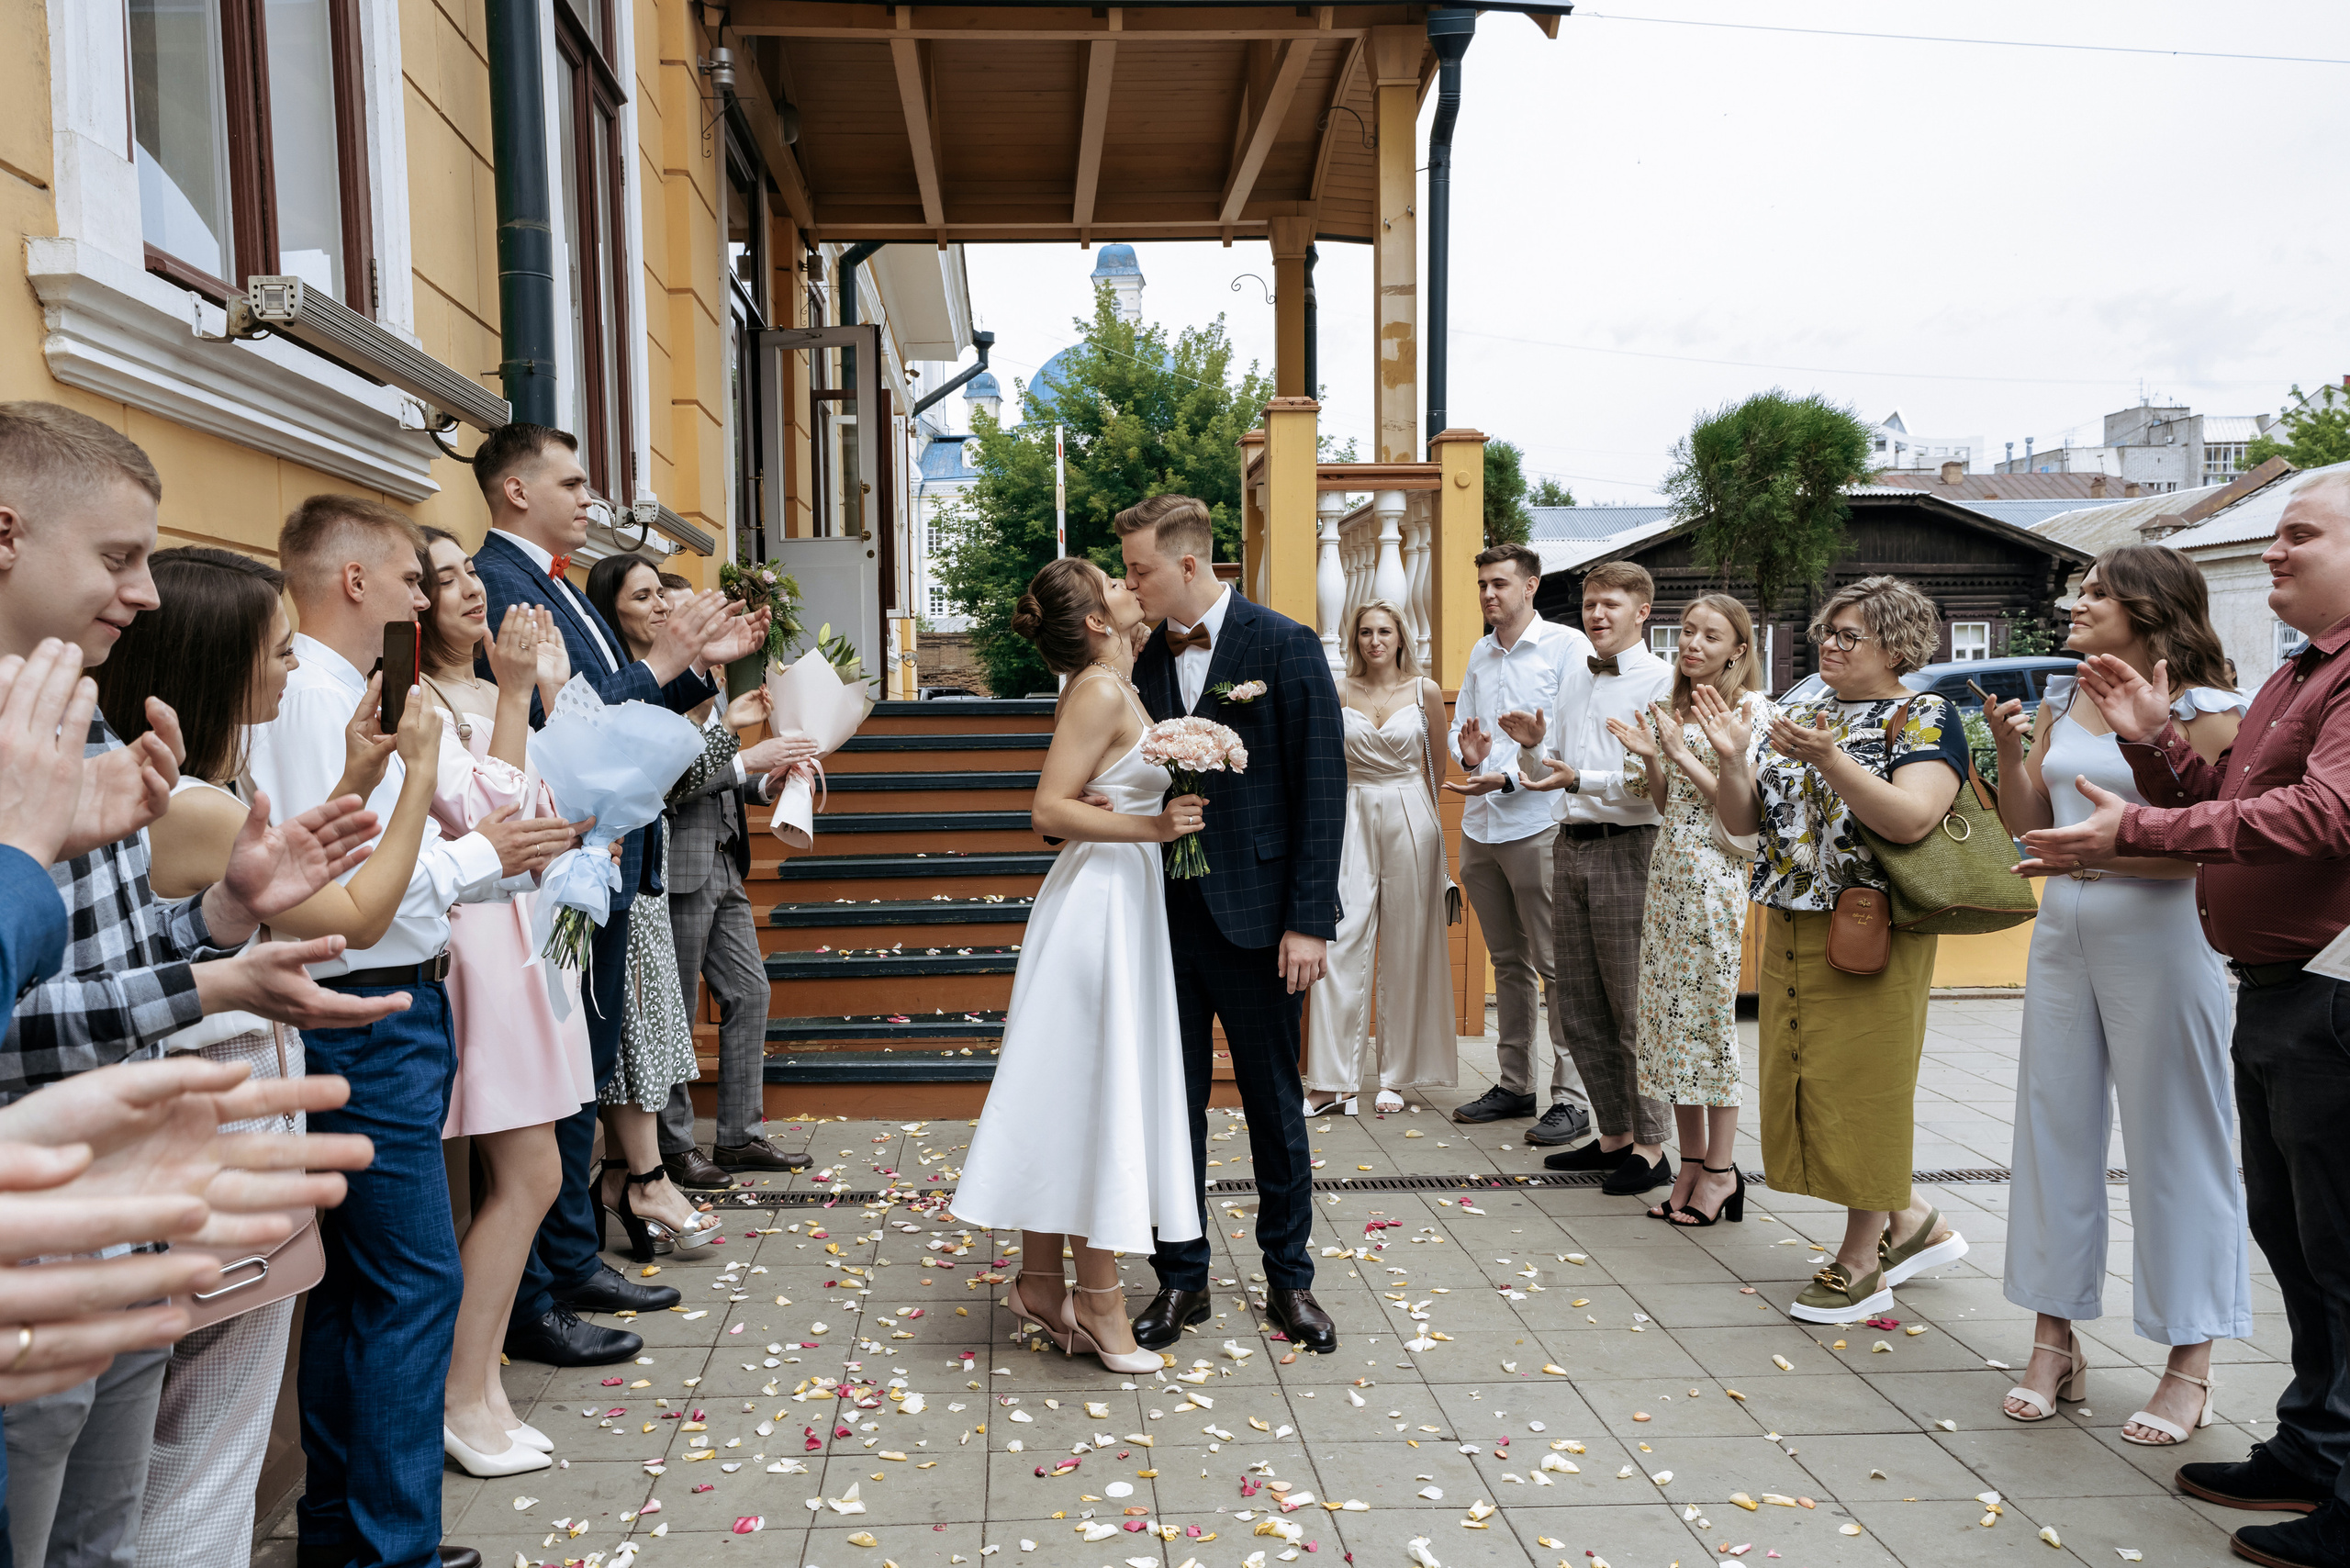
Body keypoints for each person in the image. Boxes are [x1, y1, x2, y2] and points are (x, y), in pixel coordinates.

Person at [0, 405, 413, 1568]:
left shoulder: (83, 733)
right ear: (7, 534)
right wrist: (210, 981)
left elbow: (114, 958)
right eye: (119, 557)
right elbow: (22, 1015)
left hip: (119, 1231)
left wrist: (224, 914)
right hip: (38, 1239)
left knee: (108, 1537)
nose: (141, 594)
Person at [2018, 472, 2350, 1568]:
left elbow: (2319, 816)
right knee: (2295, 1230)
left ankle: (2295, 1438)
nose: (2272, 551)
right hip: (2251, 973)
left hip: (2315, 979)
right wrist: (2152, 743)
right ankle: (2312, 1444)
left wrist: (2140, 831)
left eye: (2298, 534)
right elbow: (2205, 799)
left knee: (2321, 1233)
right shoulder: (2296, 674)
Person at [92, 545, 450, 1562]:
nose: (292, 666)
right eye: (276, 649)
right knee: (205, 1446)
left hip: (207, 1118)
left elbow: (276, 880)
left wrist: (355, 778)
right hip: (221, 1127)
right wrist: (417, 773)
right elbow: (357, 916)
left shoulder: (195, 789)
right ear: (217, 662)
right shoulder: (193, 805)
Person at [247, 493, 583, 1568]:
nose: (418, 598)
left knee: (367, 1288)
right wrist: (484, 854)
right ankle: (387, 1548)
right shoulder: (314, 704)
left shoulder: (355, 695)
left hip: (392, 998)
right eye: (406, 579)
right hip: (368, 1008)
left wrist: (490, 853)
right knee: (408, 1283)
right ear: (354, 580)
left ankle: (352, 1535)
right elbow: (349, 895)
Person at [468, 423, 764, 1367]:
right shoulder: (506, 584)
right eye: (573, 479)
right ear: (515, 490)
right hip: (565, 864)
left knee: (583, 1080)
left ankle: (569, 1258)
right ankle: (549, 1283)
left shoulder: (552, 578)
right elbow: (577, 724)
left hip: (605, 861)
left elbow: (611, 713)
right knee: (560, 1089)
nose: (590, 496)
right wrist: (672, 662)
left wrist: (689, 668)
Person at [1982, 545, 2248, 1443]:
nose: (2075, 600)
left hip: (2163, 937)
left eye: (2095, 591)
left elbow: (2216, 839)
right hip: (2060, 931)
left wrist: (2103, 850)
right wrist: (2013, 753)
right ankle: (2053, 1340)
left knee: (2175, 1141)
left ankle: (2190, 1363)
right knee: (2052, 1127)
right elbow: (2031, 828)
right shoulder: (2065, 699)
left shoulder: (2208, 713)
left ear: (2146, 607)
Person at [1698, 575, 1970, 1325]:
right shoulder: (1801, 705)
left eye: (1850, 635)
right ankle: (1912, 1223)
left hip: (1873, 927)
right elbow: (1747, 819)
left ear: (1898, 644)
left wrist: (1830, 761)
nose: (1831, 644)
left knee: (1864, 1087)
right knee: (1808, 1078)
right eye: (1827, 632)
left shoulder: (1924, 716)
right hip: (1789, 918)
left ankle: (1863, 1259)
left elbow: (1913, 818)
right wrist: (1729, 761)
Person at [953, 556, 1202, 1373]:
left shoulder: (1114, 682)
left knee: (1079, 1091)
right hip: (1098, 908)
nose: (1131, 585)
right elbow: (1047, 809)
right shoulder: (1097, 689)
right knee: (1096, 1094)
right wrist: (1155, 830)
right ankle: (1098, 1303)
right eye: (1116, 581)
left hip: (1119, 900)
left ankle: (1037, 1280)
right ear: (1097, 618)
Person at [1120, 494, 1346, 1355]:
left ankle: (1291, 1280)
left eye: (1140, 569)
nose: (1130, 583)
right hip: (1162, 920)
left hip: (1261, 923)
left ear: (1186, 565)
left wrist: (1309, 922)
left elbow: (1323, 790)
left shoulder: (1284, 645)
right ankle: (1182, 1278)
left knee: (1272, 1106)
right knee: (1171, 1108)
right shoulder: (1142, 656)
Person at [413, 526, 599, 1478]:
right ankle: (459, 1390)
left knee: (526, 1172)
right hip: (476, 941)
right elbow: (498, 806)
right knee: (524, 1174)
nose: (467, 590)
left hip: (530, 933)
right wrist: (520, 695)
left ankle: (481, 1385)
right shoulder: (421, 699)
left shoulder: (494, 687)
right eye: (441, 578)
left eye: (466, 572)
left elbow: (545, 809)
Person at [1598, 593, 1770, 1224]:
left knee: (1708, 1027)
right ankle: (1691, 1162)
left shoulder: (1751, 710)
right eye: (1688, 632)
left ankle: (1722, 1170)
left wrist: (1683, 751)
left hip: (1713, 880)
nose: (1693, 644)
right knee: (1671, 1027)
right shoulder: (1672, 706)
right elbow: (1669, 806)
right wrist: (1652, 753)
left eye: (1711, 636)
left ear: (1739, 649)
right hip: (1669, 871)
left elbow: (1739, 807)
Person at [1505, 561, 1675, 1190]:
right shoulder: (1575, 675)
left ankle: (1653, 1150)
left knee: (1631, 1004)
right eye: (1589, 604)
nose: (1596, 615)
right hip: (1570, 843)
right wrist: (1530, 748)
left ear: (1643, 611)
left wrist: (1583, 780)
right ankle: (1613, 1135)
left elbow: (1657, 786)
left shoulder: (1663, 681)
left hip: (1630, 849)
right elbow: (1560, 768)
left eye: (1610, 604)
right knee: (1578, 1003)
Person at [653, 569, 818, 1188]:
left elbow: (715, 773)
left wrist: (763, 784)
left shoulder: (706, 680)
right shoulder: (658, 685)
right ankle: (671, 1147)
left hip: (725, 859)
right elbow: (672, 782)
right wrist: (744, 755)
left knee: (750, 993)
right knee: (672, 1011)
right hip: (679, 869)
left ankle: (738, 1136)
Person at [1444, 543, 1593, 1143]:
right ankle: (1513, 1085)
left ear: (1530, 586)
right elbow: (1464, 732)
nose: (1488, 595)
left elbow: (1575, 739)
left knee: (1557, 968)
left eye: (1499, 584)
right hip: (1481, 825)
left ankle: (1573, 1098)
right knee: (1507, 964)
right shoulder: (1481, 653)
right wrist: (1469, 754)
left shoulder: (1567, 648)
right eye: (1482, 584)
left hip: (1538, 822)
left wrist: (1508, 772)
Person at [1301, 599, 1456, 1115]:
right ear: (1355, 639)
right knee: (1339, 939)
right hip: (1351, 811)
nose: (1374, 641)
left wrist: (1473, 761)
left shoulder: (1425, 691)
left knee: (1409, 945)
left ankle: (1396, 1075)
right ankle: (1331, 1079)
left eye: (1384, 631)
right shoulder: (1337, 689)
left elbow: (1440, 765)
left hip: (1412, 812)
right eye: (1365, 632)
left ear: (1400, 637)